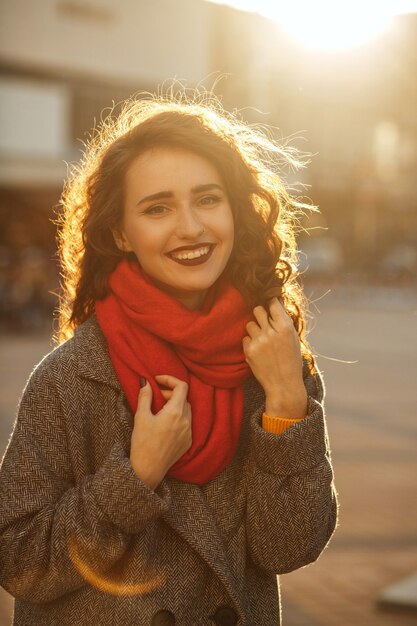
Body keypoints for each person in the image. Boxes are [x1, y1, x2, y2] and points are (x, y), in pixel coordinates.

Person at [0, 92, 338, 626]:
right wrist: (135, 476)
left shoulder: (273, 357)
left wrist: (286, 402)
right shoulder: (71, 378)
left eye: (207, 199)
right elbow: (18, 562)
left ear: (236, 207)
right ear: (120, 233)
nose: (191, 228)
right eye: (157, 208)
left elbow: (288, 549)